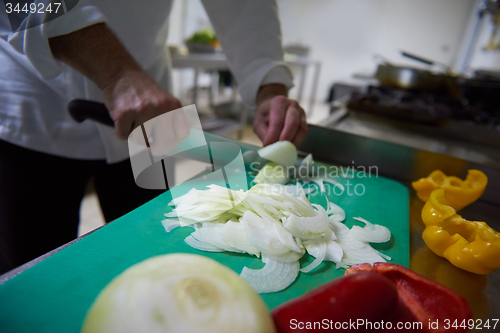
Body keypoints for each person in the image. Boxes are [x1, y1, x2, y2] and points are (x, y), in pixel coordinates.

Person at [0, 0, 308, 274]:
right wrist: (117, 72)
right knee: (35, 269)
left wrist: (269, 85)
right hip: (35, 107)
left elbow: (244, 6)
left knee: (156, 246)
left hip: (151, 111)